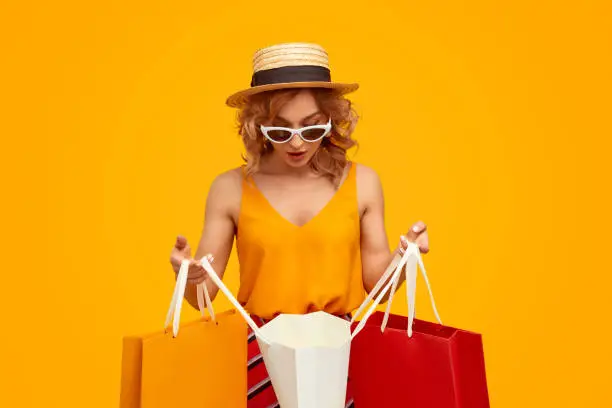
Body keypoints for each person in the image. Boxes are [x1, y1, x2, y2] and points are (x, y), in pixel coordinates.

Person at [169, 42, 430, 408]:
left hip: (343, 354)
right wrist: (187, 276)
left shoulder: (364, 183)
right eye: (280, 130)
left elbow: (378, 288)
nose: (296, 143)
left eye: (310, 129)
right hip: (260, 358)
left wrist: (405, 258)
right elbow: (204, 298)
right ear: (258, 126)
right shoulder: (229, 188)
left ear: (331, 120)